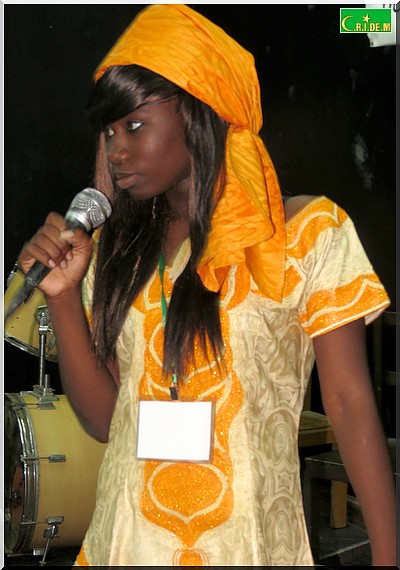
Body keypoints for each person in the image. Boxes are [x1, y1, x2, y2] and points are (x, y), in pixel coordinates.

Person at [15, 4, 395, 567]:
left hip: (248, 548)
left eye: (134, 125)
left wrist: (388, 555)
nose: (116, 151)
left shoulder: (304, 233)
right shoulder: (116, 249)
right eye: (108, 132)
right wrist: (65, 297)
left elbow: (348, 400)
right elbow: (104, 421)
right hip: (127, 544)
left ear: (200, 109)